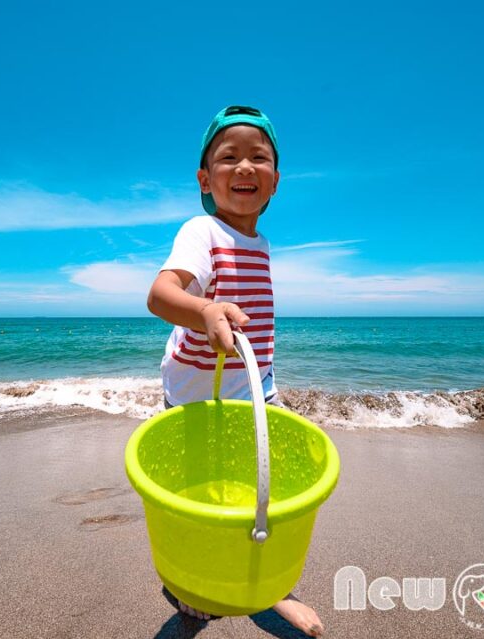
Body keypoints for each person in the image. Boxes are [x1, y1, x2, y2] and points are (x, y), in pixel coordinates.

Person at [146, 106, 324, 637]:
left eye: (259, 157)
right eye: (229, 157)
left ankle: (267, 588)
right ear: (205, 178)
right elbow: (161, 295)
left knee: (263, 493)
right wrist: (203, 310)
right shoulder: (202, 231)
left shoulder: (262, 245)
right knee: (202, 497)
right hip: (195, 396)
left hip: (256, 390)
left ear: (275, 182)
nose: (244, 166)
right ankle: (195, 597)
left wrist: (266, 380)